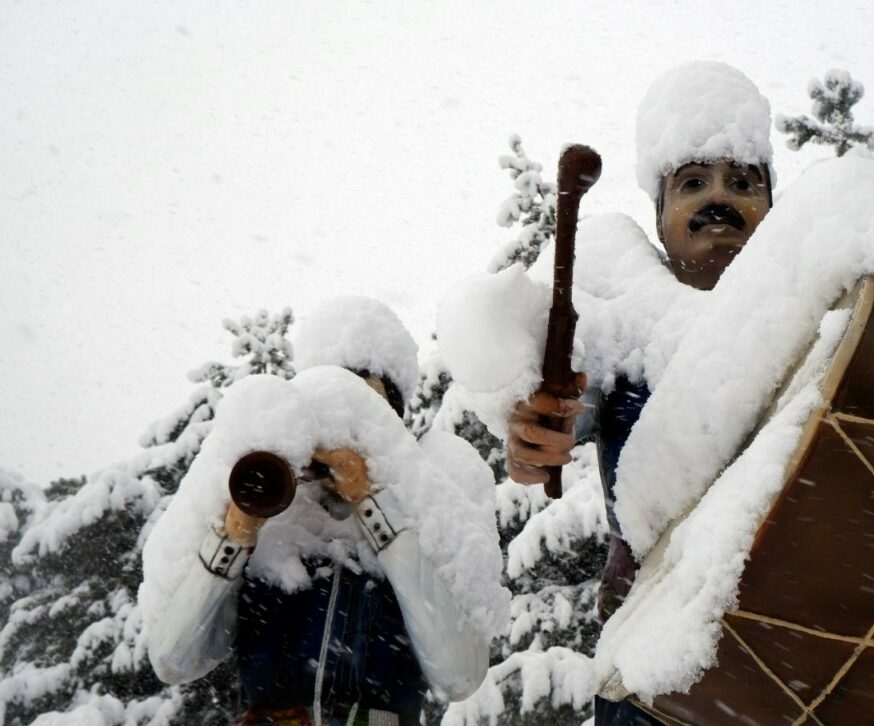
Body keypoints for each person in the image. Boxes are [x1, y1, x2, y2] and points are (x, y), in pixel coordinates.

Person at [503, 60, 774, 725]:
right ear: (660, 217)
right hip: (652, 672)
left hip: (796, 658)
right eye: (693, 183)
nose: (721, 198)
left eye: (743, 181)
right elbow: (560, 416)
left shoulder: (821, 321)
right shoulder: (625, 325)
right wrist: (533, 437)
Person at [140, 297, 497, 726]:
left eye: (364, 411)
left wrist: (373, 500)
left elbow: (460, 674)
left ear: (392, 423)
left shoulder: (436, 481)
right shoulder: (272, 492)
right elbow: (174, 660)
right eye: (328, 403)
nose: (340, 424)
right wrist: (236, 530)